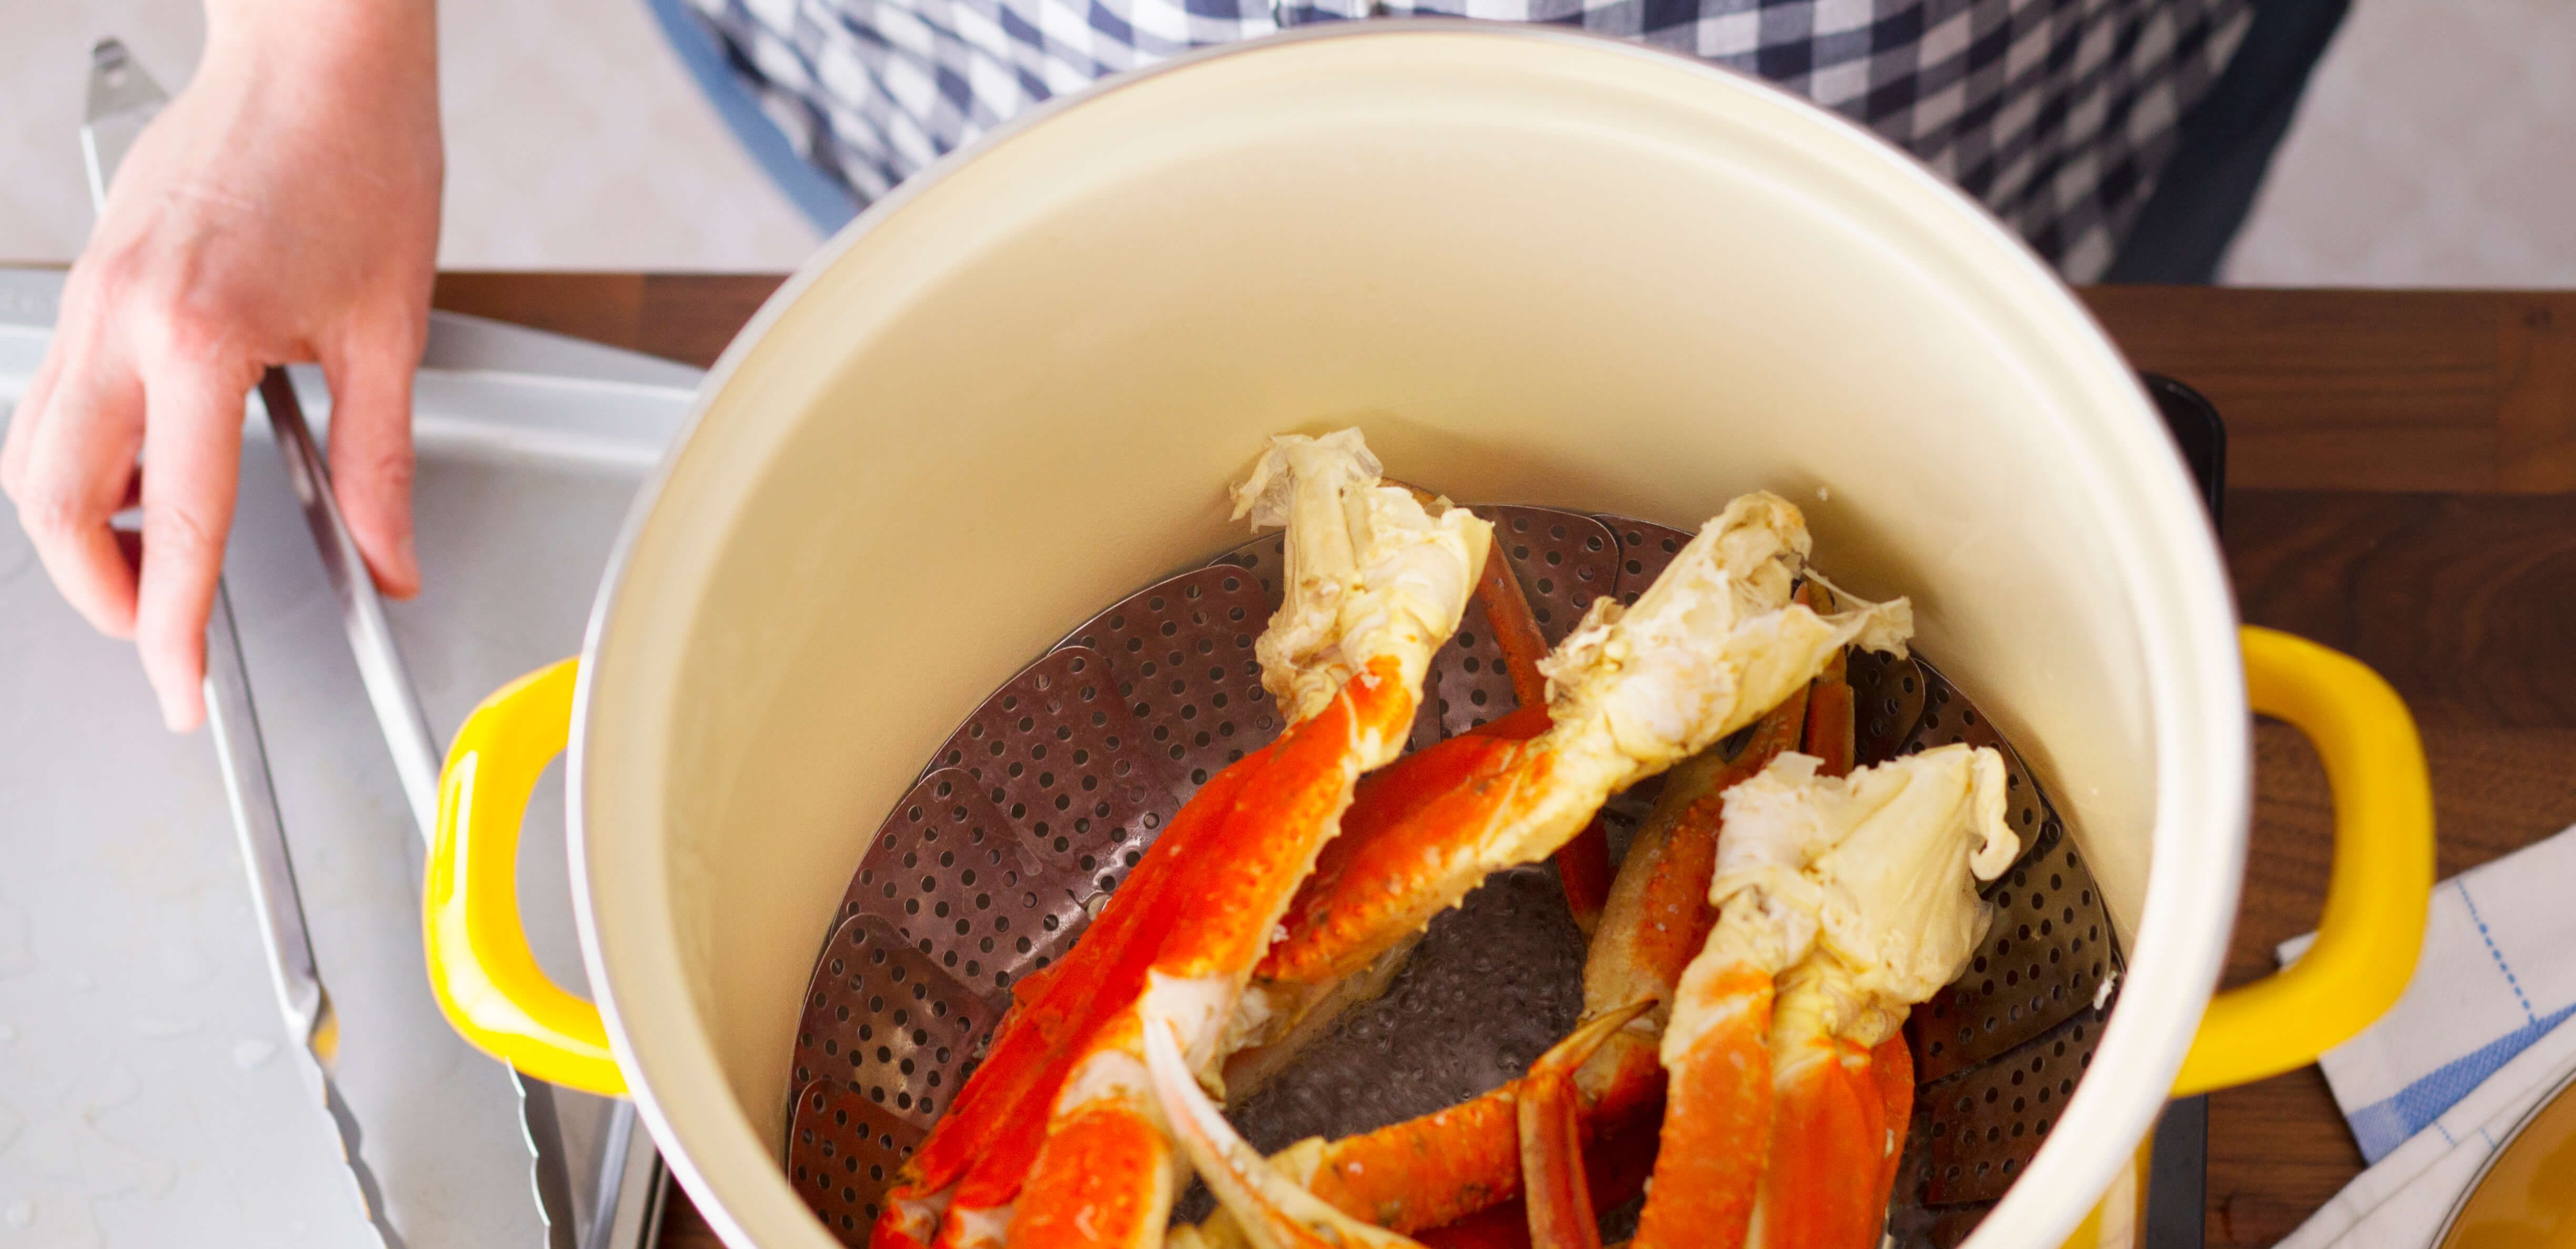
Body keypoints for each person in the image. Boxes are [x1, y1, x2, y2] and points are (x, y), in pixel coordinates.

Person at [2, 0, 2343, 730]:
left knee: (1958, 357)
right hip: (1028, 54)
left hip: (1931, 79)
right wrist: (309, 51)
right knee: (1034, 340)